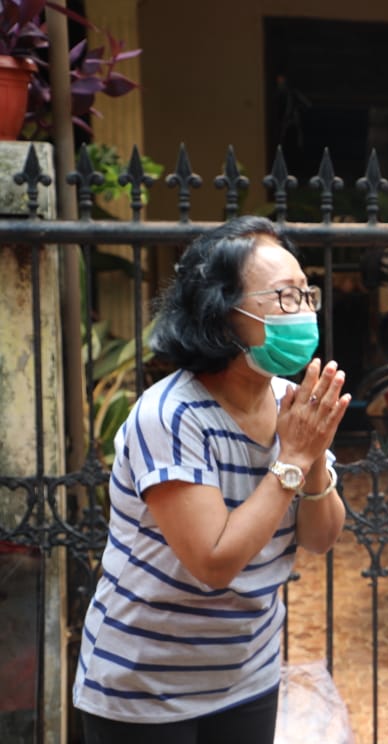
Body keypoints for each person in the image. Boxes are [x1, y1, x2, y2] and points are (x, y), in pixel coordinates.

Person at [73, 216, 351, 744]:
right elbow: (214, 562)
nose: (305, 312)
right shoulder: (172, 416)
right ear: (224, 315)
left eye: (307, 295)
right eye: (284, 297)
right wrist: (291, 458)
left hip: (248, 673)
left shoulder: (285, 402)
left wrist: (312, 455)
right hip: (146, 688)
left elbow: (321, 537)